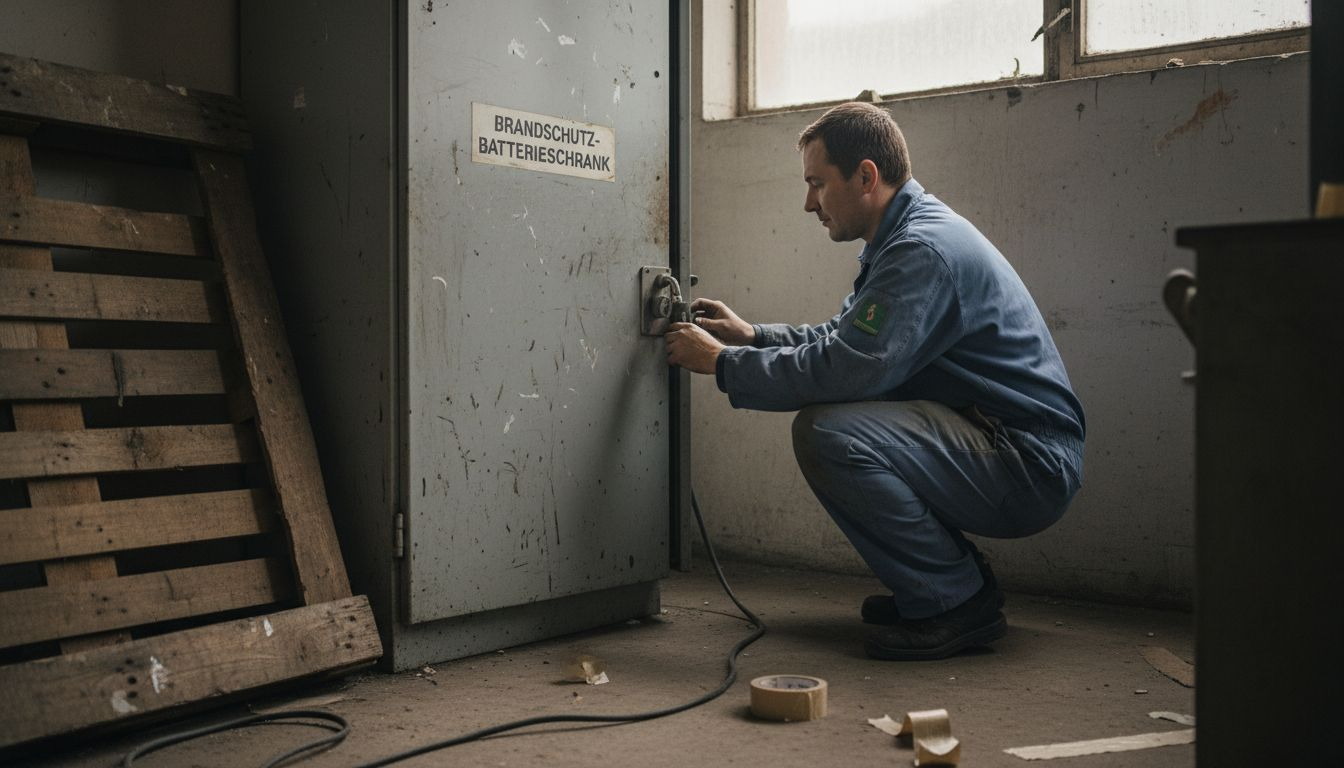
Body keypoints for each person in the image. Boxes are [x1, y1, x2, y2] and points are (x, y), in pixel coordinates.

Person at [664, 102, 1085, 661]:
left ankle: (956, 601)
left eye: (817, 184)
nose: (809, 203)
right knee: (841, 425)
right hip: (999, 441)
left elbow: (848, 368)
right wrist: (752, 336)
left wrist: (722, 363)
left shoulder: (920, 251)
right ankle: (946, 583)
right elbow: (846, 339)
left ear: (866, 176)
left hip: (1027, 463)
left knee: (829, 433)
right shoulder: (904, 236)